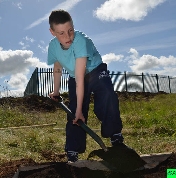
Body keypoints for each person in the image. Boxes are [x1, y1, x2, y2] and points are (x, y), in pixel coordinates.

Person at [48, 9, 124, 163]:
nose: (68, 37)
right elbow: (57, 68)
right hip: (76, 76)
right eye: (61, 33)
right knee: (75, 110)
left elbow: (81, 78)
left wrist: (79, 112)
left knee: (107, 96)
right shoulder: (53, 46)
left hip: (95, 71)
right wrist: (55, 91)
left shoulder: (80, 41)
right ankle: (73, 149)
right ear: (52, 32)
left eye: (70, 30)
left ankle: (114, 134)